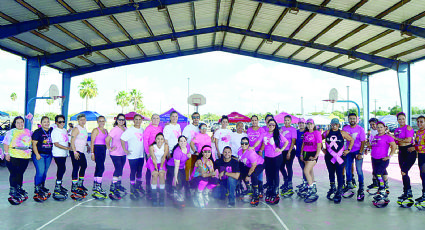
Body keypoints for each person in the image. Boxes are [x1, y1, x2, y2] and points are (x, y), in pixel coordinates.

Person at [251, 118, 288, 205]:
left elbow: (286, 142)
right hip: (267, 157)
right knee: (268, 174)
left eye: (273, 125)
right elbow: (258, 142)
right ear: (267, 125)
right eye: (270, 124)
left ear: (275, 126)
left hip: (277, 157)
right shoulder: (264, 134)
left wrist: (281, 149)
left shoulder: (278, 134)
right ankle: (270, 189)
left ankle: (275, 191)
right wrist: (253, 147)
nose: (271, 126)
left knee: (275, 174)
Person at [323, 118, 354, 204]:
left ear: (338, 125)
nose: (334, 126)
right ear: (330, 125)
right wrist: (322, 149)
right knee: (331, 172)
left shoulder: (342, 133)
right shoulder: (327, 133)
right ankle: (332, 187)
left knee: (339, 173)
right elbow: (319, 139)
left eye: (336, 124)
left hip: (340, 157)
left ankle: (339, 191)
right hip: (329, 157)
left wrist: (348, 149)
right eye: (333, 124)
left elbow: (351, 140)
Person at [2, 116, 32, 205]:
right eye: (18, 122)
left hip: (25, 156)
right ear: (15, 124)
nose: (20, 124)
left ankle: (19, 188)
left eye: (21, 122)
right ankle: (13, 190)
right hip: (14, 155)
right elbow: (6, 143)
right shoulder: (11, 132)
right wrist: (6, 154)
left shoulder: (27, 131)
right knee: (14, 173)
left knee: (20, 173)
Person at [369, 121, 397, 207]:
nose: (379, 129)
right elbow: (372, 146)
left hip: (383, 159)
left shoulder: (388, 137)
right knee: (377, 173)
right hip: (374, 159)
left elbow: (394, 146)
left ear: (385, 128)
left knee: (378, 174)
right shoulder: (375, 137)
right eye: (378, 127)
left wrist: (390, 156)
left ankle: (382, 190)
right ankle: (382, 188)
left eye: (381, 127)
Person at [392, 112, 417, 205]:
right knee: (403, 172)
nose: (401, 120)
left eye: (403, 118)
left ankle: (408, 191)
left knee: (404, 170)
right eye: (399, 119)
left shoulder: (408, 128)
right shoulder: (396, 130)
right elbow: (395, 141)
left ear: (405, 119)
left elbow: (408, 140)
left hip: (409, 151)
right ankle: (406, 191)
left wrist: (396, 139)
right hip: (401, 152)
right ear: (397, 120)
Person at [121, 114, 145, 200]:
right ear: (133, 121)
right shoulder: (130, 130)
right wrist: (125, 150)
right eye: (136, 119)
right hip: (133, 155)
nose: (138, 121)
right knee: (133, 171)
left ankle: (138, 186)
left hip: (141, 155)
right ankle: (132, 188)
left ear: (141, 121)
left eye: (140, 119)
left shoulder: (142, 130)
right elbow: (122, 139)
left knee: (139, 171)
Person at [342, 113, 366, 200]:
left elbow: (363, 142)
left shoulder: (360, 129)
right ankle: (349, 184)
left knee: (359, 170)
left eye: (353, 118)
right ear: (348, 119)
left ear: (356, 119)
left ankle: (361, 188)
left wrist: (360, 153)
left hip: (358, 151)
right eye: (350, 118)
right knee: (348, 168)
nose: (352, 120)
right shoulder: (345, 128)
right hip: (348, 151)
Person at [31, 116, 53, 202]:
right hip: (39, 155)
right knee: (40, 172)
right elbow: (34, 144)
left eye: (48, 121)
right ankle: (37, 189)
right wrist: (37, 154)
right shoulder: (37, 132)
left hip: (48, 155)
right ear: (41, 123)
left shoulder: (51, 131)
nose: (46, 123)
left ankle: (42, 187)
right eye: (44, 122)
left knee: (44, 172)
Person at [105, 113, 127, 200]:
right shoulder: (115, 129)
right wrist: (109, 148)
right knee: (118, 169)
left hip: (123, 153)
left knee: (120, 169)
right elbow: (107, 139)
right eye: (119, 120)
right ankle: (113, 187)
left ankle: (118, 185)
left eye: (123, 120)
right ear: (117, 121)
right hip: (115, 154)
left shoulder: (125, 129)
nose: (121, 121)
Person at [300, 119, 322, 203]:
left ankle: (311, 188)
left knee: (306, 171)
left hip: (313, 154)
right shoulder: (306, 133)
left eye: (311, 124)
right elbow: (303, 144)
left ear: (314, 125)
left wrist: (316, 156)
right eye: (308, 124)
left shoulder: (317, 133)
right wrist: (302, 154)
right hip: (306, 153)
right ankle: (313, 185)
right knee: (310, 171)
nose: (309, 125)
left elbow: (319, 145)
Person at [238, 137, 264, 206]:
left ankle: (256, 193)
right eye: (242, 143)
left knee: (254, 174)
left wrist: (248, 176)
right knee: (242, 170)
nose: (244, 145)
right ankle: (249, 188)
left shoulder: (251, 153)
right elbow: (241, 161)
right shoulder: (239, 151)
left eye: (246, 143)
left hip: (259, 164)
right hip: (249, 165)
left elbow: (253, 166)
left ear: (248, 144)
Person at [166, 135, 191, 207]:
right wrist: (176, 177)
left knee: (183, 180)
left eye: (184, 141)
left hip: (181, 166)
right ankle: (176, 195)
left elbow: (187, 155)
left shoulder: (188, 146)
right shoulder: (177, 152)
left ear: (186, 142)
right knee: (178, 180)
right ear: (178, 142)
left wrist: (189, 155)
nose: (183, 143)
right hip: (172, 166)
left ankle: (177, 191)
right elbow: (176, 166)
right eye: (181, 141)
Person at [143, 114, 163, 200]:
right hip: (150, 153)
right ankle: (148, 190)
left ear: (159, 119)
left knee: (159, 170)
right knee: (150, 171)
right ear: (151, 119)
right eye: (154, 118)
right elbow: (145, 140)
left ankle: (155, 187)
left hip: (159, 153)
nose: (155, 119)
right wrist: (148, 152)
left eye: (157, 118)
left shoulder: (161, 128)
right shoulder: (148, 128)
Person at [51, 115, 71, 201]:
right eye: (60, 122)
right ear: (56, 123)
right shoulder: (55, 131)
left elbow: (67, 141)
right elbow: (56, 143)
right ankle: (57, 186)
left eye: (63, 121)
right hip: (58, 153)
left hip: (64, 154)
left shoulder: (64, 130)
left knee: (62, 169)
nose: (62, 123)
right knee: (62, 168)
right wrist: (68, 148)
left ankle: (59, 184)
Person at [69, 113, 89, 200]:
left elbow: (83, 138)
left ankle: (80, 184)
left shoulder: (84, 128)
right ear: (78, 120)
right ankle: (74, 187)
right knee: (76, 168)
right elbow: (72, 141)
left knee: (84, 166)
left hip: (81, 151)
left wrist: (87, 145)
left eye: (84, 119)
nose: (83, 121)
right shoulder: (76, 128)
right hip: (75, 151)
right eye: (81, 120)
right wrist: (74, 151)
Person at [246, 115, 265, 197]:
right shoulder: (249, 129)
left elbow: (264, 141)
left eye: (255, 120)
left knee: (259, 170)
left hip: (259, 151)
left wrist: (261, 150)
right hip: (251, 152)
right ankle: (254, 187)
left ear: (258, 121)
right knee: (252, 168)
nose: (254, 122)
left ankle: (260, 189)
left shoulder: (261, 129)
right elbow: (247, 141)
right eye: (252, 120)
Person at [90, 116, 108, 200]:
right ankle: (98, 186)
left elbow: (107, 141)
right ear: (97, 122)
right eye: (100, 121)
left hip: (103, 149)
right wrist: (92, 153)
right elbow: (92, 142)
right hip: (97, 149)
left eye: (103, 121)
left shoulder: (106, 131)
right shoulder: (95, 130)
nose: (102, 122)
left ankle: (95, 184)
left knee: (98, 167)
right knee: (101, 168)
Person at [148, 133, 169, 206]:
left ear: (163, 140)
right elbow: (153, 158)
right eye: (158, 139)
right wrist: (156, 169)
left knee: (162, 175)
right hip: (153, 163)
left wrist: (161, 168)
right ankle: (154, 198)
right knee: (155, 175)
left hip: (162, 163)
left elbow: (164, 157)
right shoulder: (152, 147)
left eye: (161, 139)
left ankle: (161, 198)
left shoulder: (165, 146)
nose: (160, 140)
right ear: (155, 139)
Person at [182, 112, 200, 193]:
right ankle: (186, 185)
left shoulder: (201, 128)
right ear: (192, 118)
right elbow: (183, 140)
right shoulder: (188, 128)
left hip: (197, 153)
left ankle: (193, 184)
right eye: (194, 117)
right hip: (189, 152)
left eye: (197, 117)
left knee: (194, 169)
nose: (196, 119)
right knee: (187, 169)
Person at [279, 115, 297, 197]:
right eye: (285, 120)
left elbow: (293, 141)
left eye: (288, 120)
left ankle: (289, 183)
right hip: (282, 150)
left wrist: (289, 152)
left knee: (288, 166)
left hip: (290, 150)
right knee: (281, 166)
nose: (286, 122)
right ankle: (286, 180)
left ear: (291, 121)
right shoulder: (281, 129)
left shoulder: (293, 129)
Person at [410, 116, 425, 208]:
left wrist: (415, 148)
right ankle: (424, 194)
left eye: (421, 122)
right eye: (418, 122)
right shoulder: (418, 132)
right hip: (420, 155)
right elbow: (417, 143)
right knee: (422, 175)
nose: (419, 123)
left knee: (424, 174)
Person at [366, 118, 379, 190]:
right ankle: (375, 183)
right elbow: (370, 142)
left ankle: (384, 183)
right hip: (373, 153)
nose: (372, 126)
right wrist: (367, 148)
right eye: (371, 125)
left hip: (381, 153)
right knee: (374, 168)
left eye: (373, 124)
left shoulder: (380, 131)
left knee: (381, 169)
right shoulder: (371, 132)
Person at [295, 118, 307, 188]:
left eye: (302, 123)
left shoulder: (307, 132)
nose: (301, 124)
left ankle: (307, 183)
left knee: (306, 169)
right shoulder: (296, 132)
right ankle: (304, 182)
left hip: (306, 153)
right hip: (298, 153)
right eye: (300, 123)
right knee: (303, 168)